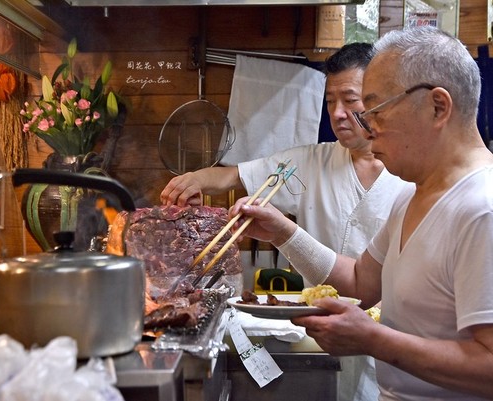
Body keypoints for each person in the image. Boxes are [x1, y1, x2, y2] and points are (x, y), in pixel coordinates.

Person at [228, 26, 493, 400]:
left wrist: (374, 340)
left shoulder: (483, 209)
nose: (368, 128)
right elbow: (359, 282)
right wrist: (283, 233)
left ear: (437, 106)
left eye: (376, 110)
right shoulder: (414, 196)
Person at [161, 43, 412, 401]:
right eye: (329, 101)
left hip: (389, 341)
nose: (338, 113)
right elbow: (235, 176)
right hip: (316, 337)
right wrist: (195, 180)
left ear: (378, 97)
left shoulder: (411, 175)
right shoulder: (311, 162)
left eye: (350, 100)